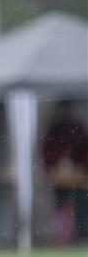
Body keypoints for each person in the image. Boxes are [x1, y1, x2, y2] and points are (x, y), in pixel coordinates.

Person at [40, 101, 88, 244]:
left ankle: (82, 233)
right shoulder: (55, 131)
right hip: (59, 177)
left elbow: (84, 151)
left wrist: (79, 167)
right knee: (61, 204)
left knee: (80, 204)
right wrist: (54, 167)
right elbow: (47, 152)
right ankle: (64, 235)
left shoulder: (78, 130)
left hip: (78, 177)